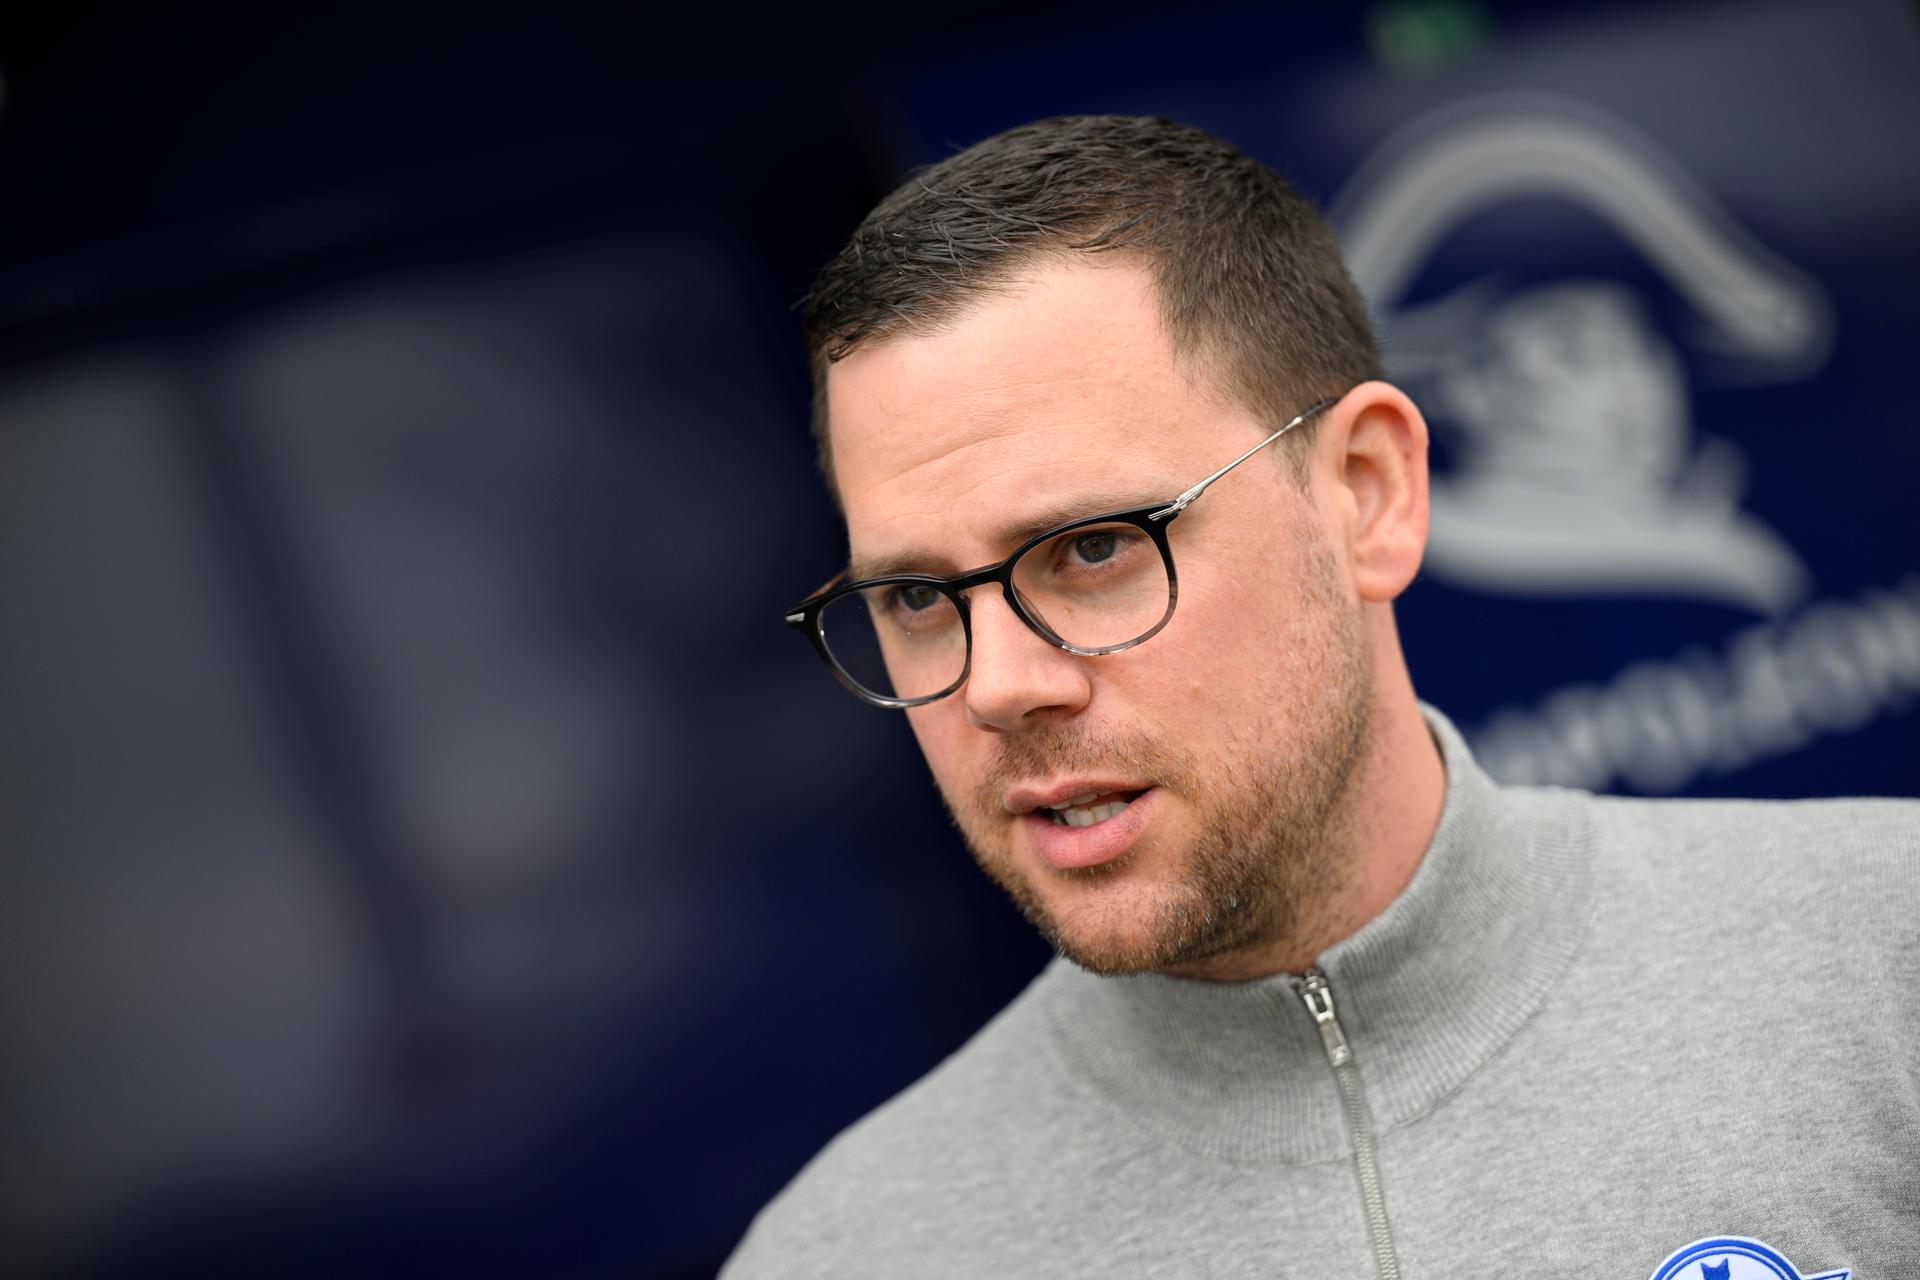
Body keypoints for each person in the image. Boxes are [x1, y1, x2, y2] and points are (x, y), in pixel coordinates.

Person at [726, 116, 1918, 1279]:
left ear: (1367, 492)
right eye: (919, 598)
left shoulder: (1878, 954)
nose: (998, 686)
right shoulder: (847, 1251)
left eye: (1092, 548)